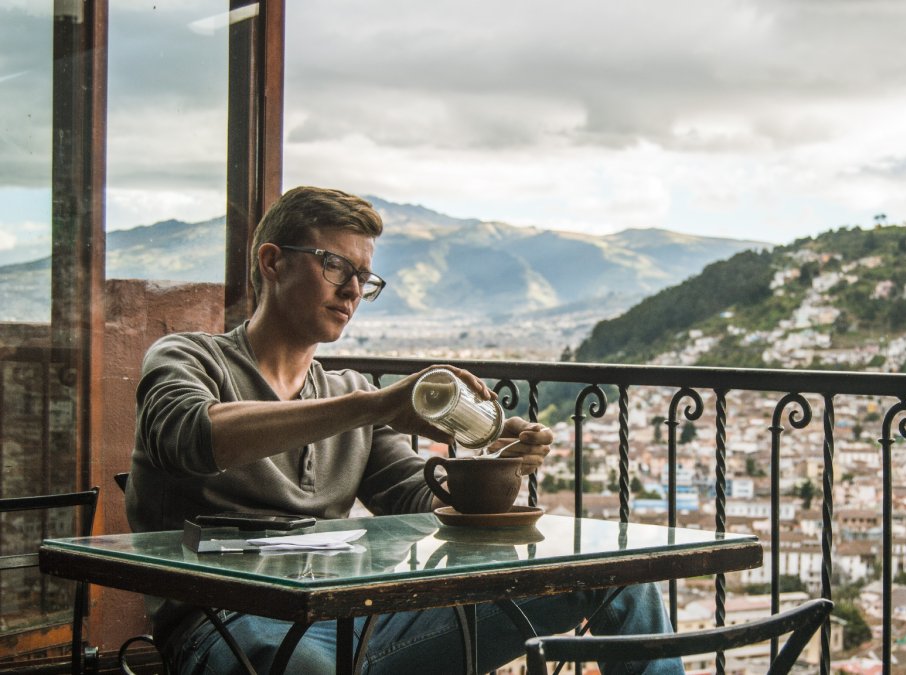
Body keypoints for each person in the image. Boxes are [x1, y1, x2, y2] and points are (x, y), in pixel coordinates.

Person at [125, 186, 682, 674]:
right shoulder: (189, 358)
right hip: (228, 626)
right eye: (335, 265)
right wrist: (373, 406)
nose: (351, 291)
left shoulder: (350, 393)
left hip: (352, 621)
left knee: (618, 576)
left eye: (363, 279)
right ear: (272, 262)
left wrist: (493, 464)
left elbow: (422, 498)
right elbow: (192, 438)